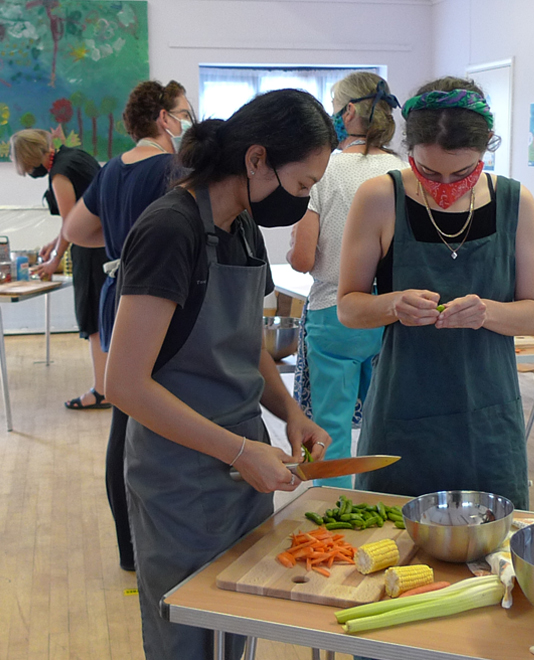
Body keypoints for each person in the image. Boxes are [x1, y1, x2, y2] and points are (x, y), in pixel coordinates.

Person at [104, 89, 335, 660]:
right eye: (302, 186)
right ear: (256, 160)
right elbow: (125, 384)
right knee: (185, 633)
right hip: (180, 475)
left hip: (241, 462)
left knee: (235, 623)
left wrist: (291, 414)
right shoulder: (169, 230)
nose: (302, 202)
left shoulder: (244, 226)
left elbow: (246, 341)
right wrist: (237, 451)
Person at [337, 77, 534, 510]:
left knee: (492, 551)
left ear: (487, 149)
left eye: (463, 172)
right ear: (409, 149)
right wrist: (392, 304)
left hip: (488, 417)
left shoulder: (515, 203)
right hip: (403, 411)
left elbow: (532, 315)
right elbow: (348, 308)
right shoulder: (380, 198)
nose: (444, 185)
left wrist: (486, 312)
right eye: (429, 172)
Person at [62, 79, 190, 572]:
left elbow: (76, 230)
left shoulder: (113, 167)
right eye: (182, 112)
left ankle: (128, 547)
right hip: (158, 299)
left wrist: (119, 245)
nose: (186, 122)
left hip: (117, 296)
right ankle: (168, 543)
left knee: (124, 414)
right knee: (161, 410)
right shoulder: (173, 168)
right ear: (163, 118)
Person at [286, 72, 405, 488]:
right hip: (390, 316)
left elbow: (302, 258)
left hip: (332, 314)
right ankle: (385, 506)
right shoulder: (403, 172)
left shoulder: (323, 171)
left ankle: (332, 516)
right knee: (383, 424)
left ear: (348, 112)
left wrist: (289, 250)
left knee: (330, 431)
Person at [9, 129, 109, 409]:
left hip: (91, 251)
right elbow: (79, 214)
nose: (28, 171)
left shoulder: (60, 176)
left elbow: (72, 226)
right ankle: (110, 385)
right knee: (104, 317)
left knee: (93, 320)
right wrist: (53, 244)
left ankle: (101, 391)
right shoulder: (73, 156)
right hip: (107, 243)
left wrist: (54, 260)